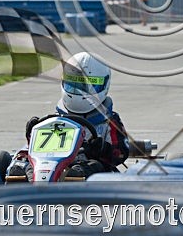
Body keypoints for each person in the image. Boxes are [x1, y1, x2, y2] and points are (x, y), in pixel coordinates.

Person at [18, 52, 130, 180]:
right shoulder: (56, 118)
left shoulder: (109, 121)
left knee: (94, 166)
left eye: (89, 85)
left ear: (104, 85)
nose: (79, 91)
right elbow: (38, 152)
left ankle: (74, 177)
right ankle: (26, 180)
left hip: (90, 168)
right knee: (26, 164)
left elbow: (120, 154)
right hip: (53, 165)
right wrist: (32, 135)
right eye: (73, 84)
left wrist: (101, 149)